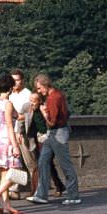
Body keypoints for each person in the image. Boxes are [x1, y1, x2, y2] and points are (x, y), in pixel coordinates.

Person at [27, 73, 81, 205]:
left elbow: (51, 122)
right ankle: (41, 195)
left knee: (65, 165)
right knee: (43, 162)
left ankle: (73, 196)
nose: (38, 91)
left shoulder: (52, 99)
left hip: (57, 134)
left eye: (39, 88)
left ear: (45, 85)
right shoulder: (59, 94)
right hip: (55, 134)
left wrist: (44, 113)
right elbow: (67, 113)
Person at [0, 74, 24, 214]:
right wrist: (15, 145)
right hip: (6, 139)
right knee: (16, 172)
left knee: (4, 173)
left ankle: (7, 206)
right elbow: (10, 124)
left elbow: (11, 117)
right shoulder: (8, 104)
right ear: (10, 87)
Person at [25, 91, 66, 197]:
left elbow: (52, 123)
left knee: (42, 163)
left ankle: (37, 192)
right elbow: (24, 121)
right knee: (47, 164)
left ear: (39, 101)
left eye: (34, 101)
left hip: (49, 138)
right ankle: (59, 186)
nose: (31, 103)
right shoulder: (30, 110)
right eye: (30, 101)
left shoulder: (44, 109)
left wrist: (45, 114)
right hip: (39, 140)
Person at [8, 68, 32, 199]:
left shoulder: (27, 94)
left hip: (23, 132)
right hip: (12, 132)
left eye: (17, 80)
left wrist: (16, 116)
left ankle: (35, 188)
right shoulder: (10, 94)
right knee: (15, 161)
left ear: (22, 80)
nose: (15, 83)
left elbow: (29, 115)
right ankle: (14, 189)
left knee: (29, 161)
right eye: (13, 80)